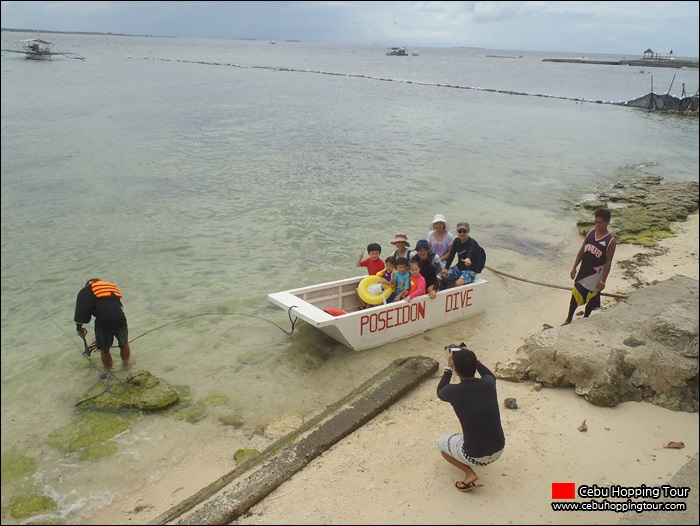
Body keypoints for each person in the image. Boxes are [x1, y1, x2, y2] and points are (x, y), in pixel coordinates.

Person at [437, 344, 505, 492]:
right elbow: (489, 374)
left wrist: (448, 368)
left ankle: (469, 473)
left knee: (442, 444)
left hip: (475, 456)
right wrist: (472, 359)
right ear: (475, 366)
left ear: (455, 368)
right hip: (500, 449)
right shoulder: (489, 383)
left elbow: (440, 391)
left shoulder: (453, 392)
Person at [564, 208, 617, 325]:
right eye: (596, 222)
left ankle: (585, 319)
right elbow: (582, 251)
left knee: (591, 299)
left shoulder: (610, 241)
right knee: (575, 296)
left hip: (596, 274)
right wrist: (574, 267)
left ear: (607, 223)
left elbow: (608, 262)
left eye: (600, 223)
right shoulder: (590, 233)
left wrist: (603, 281)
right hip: (583, 272)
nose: (597, 225)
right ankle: (568, 319)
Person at [74, 278, 131, 370]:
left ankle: (109, 371)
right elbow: (113, 305)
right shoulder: (110, 287)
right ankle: (126, 366)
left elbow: (81, 312)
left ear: (88, 283)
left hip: (104, 321)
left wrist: (79, 329)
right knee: (124, 343)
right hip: (120, 318)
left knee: (104, 349)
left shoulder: (86, 291)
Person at [442, 222, 479, 286]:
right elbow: (451, 255)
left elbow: (471, 252)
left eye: (464, 231)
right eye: (460, 231)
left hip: (470, 270)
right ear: (457, 231)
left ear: (468, 231)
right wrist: (446, 268)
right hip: (458, 268)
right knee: (442, 276)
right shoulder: (456, 241)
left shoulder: (472, 243)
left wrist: (468, 259)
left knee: (458, 283)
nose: (462, 233)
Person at [356, 243, 385, 309]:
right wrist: (360, 258)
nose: (374, 255)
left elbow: (382, 276)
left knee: (371, 293)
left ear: (379, 253)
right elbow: (357, 265)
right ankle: (364, 305)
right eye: (372, 253)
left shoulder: (381, 262)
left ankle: (368, 307)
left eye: (376, 253)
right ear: (369, 254)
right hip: (369, 282)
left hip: (377, 283)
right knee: (357, 290)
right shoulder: (368, 260)